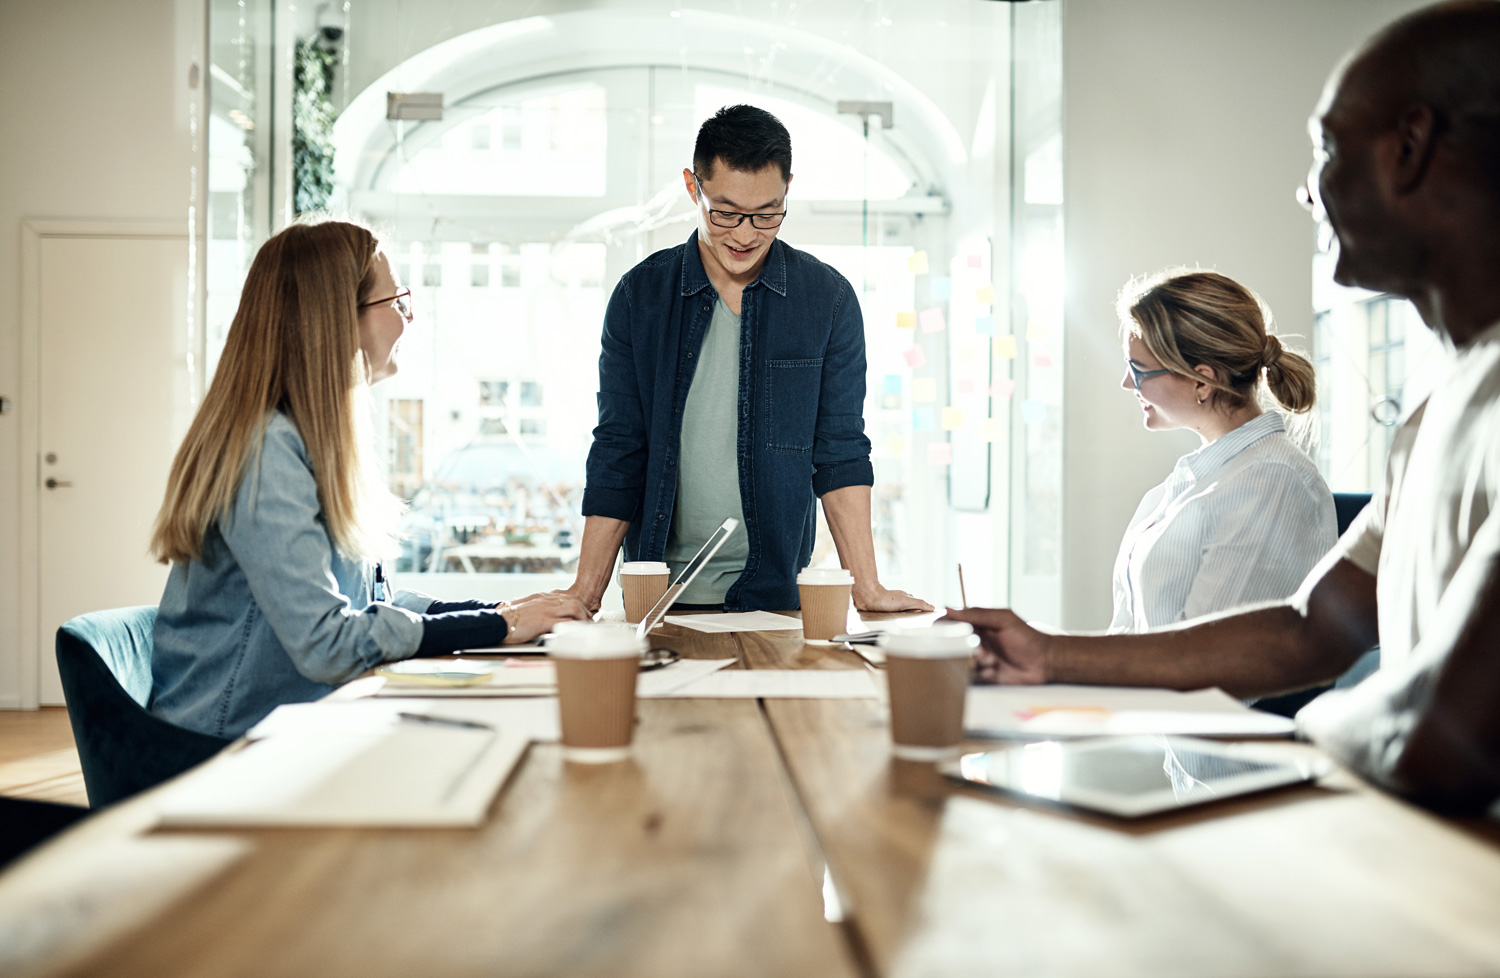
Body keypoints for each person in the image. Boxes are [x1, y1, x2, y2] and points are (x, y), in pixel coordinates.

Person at [948, 0, 1500, 814]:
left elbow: (1444, 736)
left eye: (1325, 150)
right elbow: (1306, 631)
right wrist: (1047, 654)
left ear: (1410, 147)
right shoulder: (1442, 398)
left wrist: (1303, 738)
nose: (1308, 193)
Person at [148, 220, 589, 739]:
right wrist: (502, 626)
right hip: (223, 745)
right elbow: (326, 643)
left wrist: (501, 611)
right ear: (338, 320)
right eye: (398, 300)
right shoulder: (267, 451)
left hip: (292, 724)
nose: (411, 315)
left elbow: (376, 602)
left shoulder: (315, 441)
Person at [563, 105, 931, 615]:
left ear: (787, 191)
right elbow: (619, 449)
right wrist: (584, 593)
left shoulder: (828, 299)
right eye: (726, 213)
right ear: (694, 188)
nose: (744, 235)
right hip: (658, 599)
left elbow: (841, 451)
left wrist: (866, 586)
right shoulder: (639, 296)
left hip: (775, 596)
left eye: (767, 215)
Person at [1109, 269, 1335, 633]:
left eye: (1137, 369)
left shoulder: (1270, 481)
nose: (1125, 383)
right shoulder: (1199, 477)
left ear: (1202, 380)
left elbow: (1205, 662)